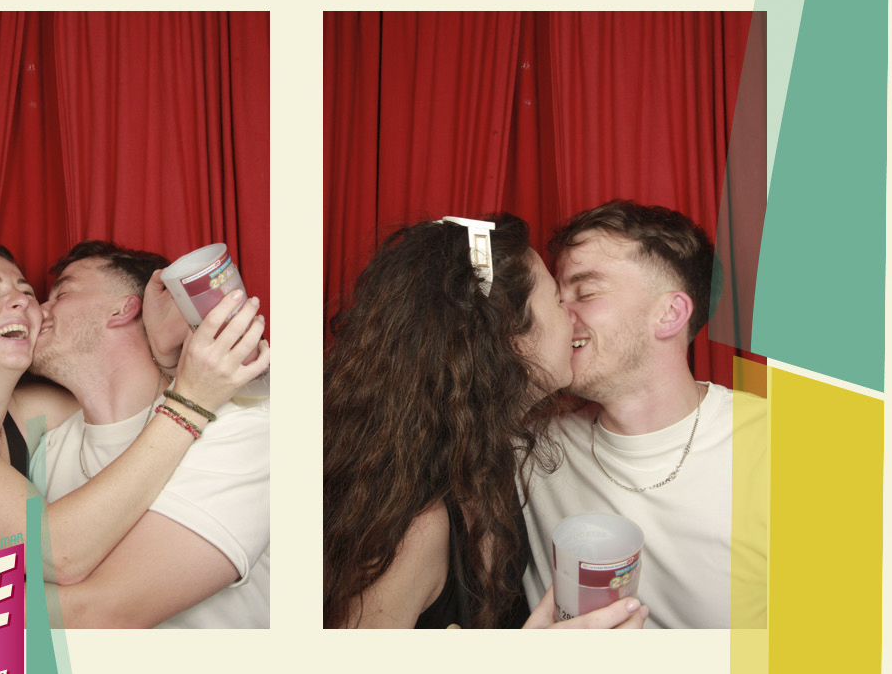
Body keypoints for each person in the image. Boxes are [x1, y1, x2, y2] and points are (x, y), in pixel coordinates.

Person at [0, 239, 264, 588]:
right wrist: (190, 399)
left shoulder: (30, 414)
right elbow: (58, 553)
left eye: (25, 291)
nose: (25, 303)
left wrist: (163, 349)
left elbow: (123, 394)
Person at [323, 214, 648, 630]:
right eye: (556, 300)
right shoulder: (415, 534)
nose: (573, 315)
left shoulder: (484, 452)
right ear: (510, 336)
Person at [521, 202, 768, 630]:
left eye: (586, 292)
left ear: (670, 314)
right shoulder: (526, 443)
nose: (559, 315)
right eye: (557, 297)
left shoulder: (792, 446)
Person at [19, 242, 270, 630]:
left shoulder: (241, 425)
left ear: (123, 309)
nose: (37, 311)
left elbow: (103, 612)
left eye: (62, 293)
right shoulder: (47, 452)